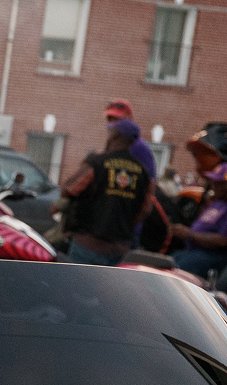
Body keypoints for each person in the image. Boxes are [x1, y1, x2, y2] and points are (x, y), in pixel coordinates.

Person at [60, 119, 152, 266]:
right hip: (120, 250)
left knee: (76, 288)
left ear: (115, 136)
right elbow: (145, 210)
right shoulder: (143, 173)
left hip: (87, 245)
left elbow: (68, 190)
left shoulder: (97, 163)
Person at [169, 162, 227, 278]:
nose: (213, 185)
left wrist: (190, 235)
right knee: (165, 262)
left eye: (218, 183)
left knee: (178, 270)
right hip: (192, 252)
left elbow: (223, 240)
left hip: (213, 256)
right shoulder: (217, 203)